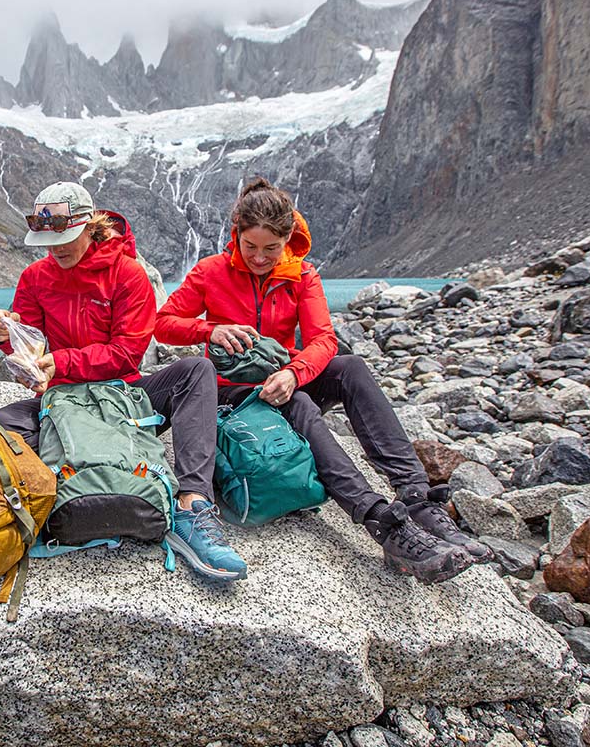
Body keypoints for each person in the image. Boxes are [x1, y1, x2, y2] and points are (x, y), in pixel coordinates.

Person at [154, 177, 492, 583]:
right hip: (233, 393)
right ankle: (377, 518)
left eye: (271, 249)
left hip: (282, 378)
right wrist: (209, 331)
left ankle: (416, 497)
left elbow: (323, 340)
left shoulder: (302, 276)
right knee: (298, 407)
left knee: (350, 367)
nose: (259, 258)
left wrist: (294, 373)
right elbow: (163, 325)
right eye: (250, 247)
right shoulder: (211, 272)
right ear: (236, 235)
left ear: (288, 239)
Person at [0, 181, 247, 581]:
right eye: (47, 240)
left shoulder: (128, 274)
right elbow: (29, 346)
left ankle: (192, 503)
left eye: (66, 237)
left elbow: (127, 353)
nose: (56, 248)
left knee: (197, 371)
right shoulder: (35, 277)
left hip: (124, 395)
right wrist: (4, 335)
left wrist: (61, 362)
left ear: (91, 225)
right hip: (65, 402)